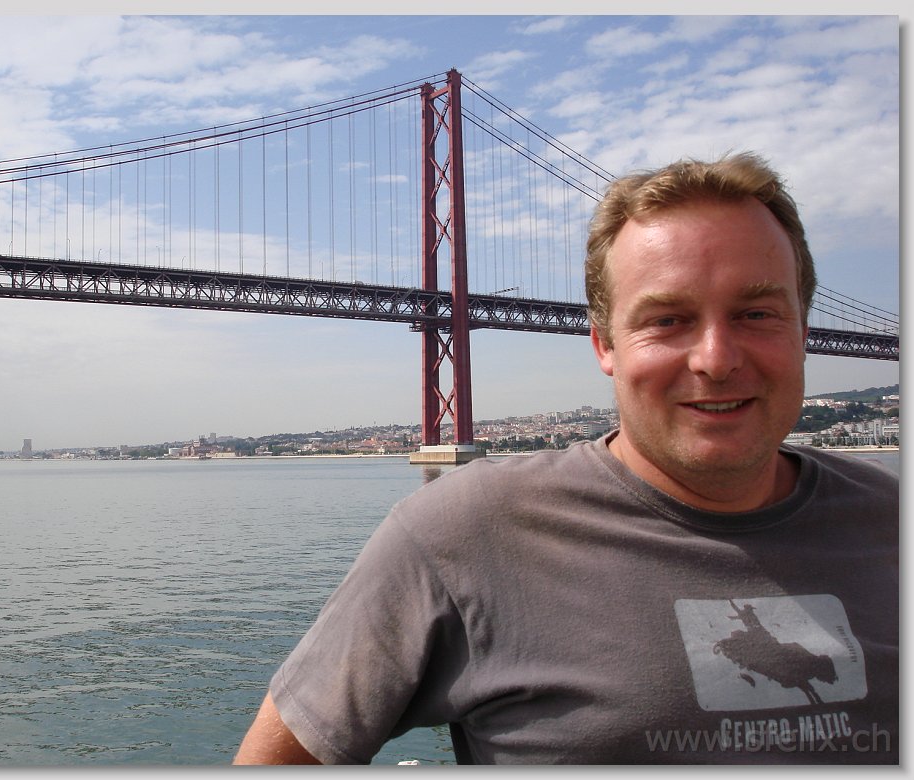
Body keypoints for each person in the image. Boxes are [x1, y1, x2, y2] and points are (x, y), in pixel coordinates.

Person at [233, 153, 899, 764]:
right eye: (667, 320)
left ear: (804, 330)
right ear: (604, 344)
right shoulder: (459, 533)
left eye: (756, 313)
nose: (716, 359)